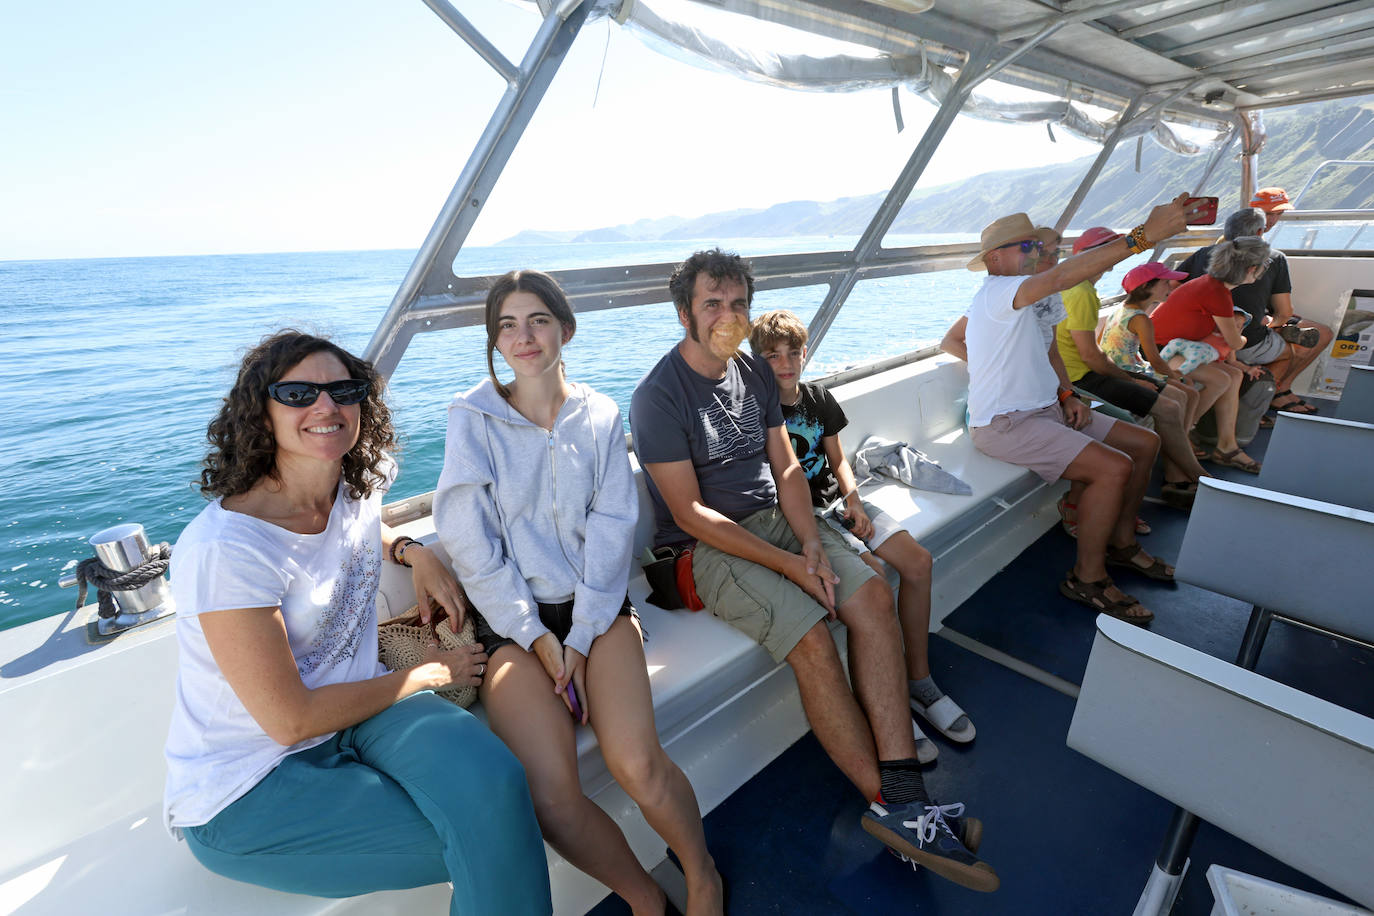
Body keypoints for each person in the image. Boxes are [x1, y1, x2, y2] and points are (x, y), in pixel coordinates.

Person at [631, 249, 998, 893]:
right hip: (706, 549)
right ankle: (895, 809)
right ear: (685, 311)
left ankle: (906, 793)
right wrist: (793, 568)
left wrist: (809, 543)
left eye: (738, 303)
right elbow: (688, 513)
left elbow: (789, 469)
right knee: (811, 638)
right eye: (712, 303)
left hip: (777, 522)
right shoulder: (659, 396)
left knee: (875, 599)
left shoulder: (749, 368)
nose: (728, 315)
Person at [163, 331, 551, 914]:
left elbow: (359, 531)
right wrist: (429, 673)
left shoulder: (349, 488)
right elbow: (290, 721)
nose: (326, 406)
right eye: (297, 394)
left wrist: (411, 551)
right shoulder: (228, 550)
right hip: (249, 779)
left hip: (359, 716)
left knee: (499, 788)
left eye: (343, 390)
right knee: (495, 840)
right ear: (259, 413)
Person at [433, 271, 723, 916]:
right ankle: (645, 898)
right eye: (506, 324)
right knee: (550, 797)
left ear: (565, 328)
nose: (523, 336)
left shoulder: (599, 415)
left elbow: (614, 529)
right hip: (511, 626)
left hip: (595, 610)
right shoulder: (471, 419)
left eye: (537, 319)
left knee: (637, 766)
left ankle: (700, 873)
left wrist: (583, 639)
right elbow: (471, 545)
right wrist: (538, 638)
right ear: (494, 342)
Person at [748, 309, 975, 762]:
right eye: (773, 356)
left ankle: (918, 681)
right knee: (871, 576)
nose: (786, 363)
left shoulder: (817, 398)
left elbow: (838, 461)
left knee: (918, 562)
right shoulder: (757, 413)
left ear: (806, 354)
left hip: (841, 506)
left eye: (793, 353)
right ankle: (884, 705)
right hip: (804, 518)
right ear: (757, 361)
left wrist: (853, 499)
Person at [962, 201, 1194, 624]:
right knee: (1112, 468)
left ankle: (1122, 544)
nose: (1035, 253)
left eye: (1037, 245)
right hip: (1005, 423)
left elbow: (1050, 351)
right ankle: (1087, 578)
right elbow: (1063, 274)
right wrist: (1143, 237)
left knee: (1145, 443)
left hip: (1047, 407)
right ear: (994, 259)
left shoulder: (1036, 298)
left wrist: (1067, 394)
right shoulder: (998, 291)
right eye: (1025, 246)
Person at [1053, 231, 1208, 509]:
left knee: (1178, 399)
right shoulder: (1081, 293)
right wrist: (1133, 381)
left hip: (1087, 371)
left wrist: (1135, 379)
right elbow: (1090, 356)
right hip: (1080, 379)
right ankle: (1201, 477)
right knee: (1170, 408)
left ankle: (1177, 476)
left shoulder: (1081, 289)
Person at [1179, 200, 1333, 415]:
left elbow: (1175, 286)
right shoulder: (1275, 258)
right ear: (1261, 231)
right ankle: (1267, 399)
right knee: (1294, 349)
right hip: (1243, 337)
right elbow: (1284, 312)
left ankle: (1268, 394)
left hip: (1198, 334)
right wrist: (1274, 323)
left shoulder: (1202, 254)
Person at [1154, 237, 1273, 474]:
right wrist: (1245, 338)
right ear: (1251, 269)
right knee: (1222, 379)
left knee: (1234, 376)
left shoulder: (1213, 286)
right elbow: (1234, 340)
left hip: (1181, 347)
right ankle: (1180, 433)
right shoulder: (1217, 294)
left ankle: (1226, 446)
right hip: (1162, 350)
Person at [1101, 262, 1204, 440]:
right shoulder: (1141, 319)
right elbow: (1155, 360)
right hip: (1130, 372)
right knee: (1191, 394)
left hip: (1122, 367)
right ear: (1146, 286)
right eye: (1165, 282)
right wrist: (1175, 377)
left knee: (1185, 385)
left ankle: (1178, 440)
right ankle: (1181, 442)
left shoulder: (1121, 309)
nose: (1170, 286)